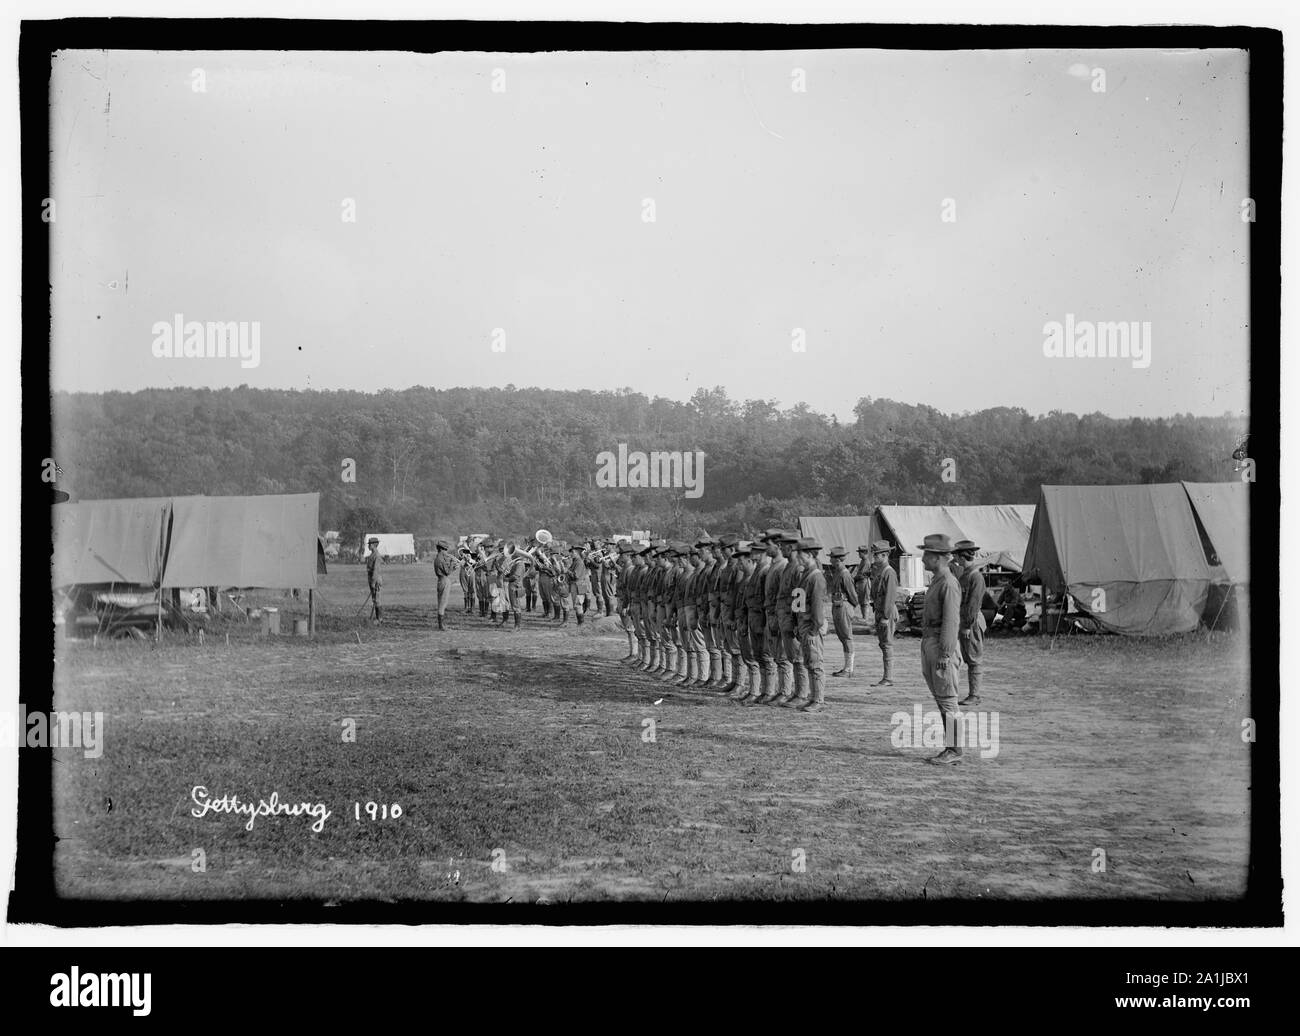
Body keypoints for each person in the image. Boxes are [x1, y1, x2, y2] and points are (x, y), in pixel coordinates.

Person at [918, 534, 963, 765]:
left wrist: (945, 654)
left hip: (940, 644)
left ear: (938, 558)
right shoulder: (938, 580)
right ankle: (950, 747)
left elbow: (951, 622)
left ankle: (954, 749)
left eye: (927, 554)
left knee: (947, 699)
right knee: (941, 698)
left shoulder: (947, 583)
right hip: (931, 641)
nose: (923, 558)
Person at [793, 538, 830, 712]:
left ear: (809, 555)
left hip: (811, 627)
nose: (798, 559)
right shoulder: (805, 576)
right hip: (803, 625)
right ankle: (813, 697)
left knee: (815, 663)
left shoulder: (816, 578)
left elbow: (817, 608)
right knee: (808, 662)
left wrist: (814, 629)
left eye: (800, 555)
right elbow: (798, 601)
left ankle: (819, 700)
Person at [739, 533, 773, 704]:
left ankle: (769, 691)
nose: (751, 554)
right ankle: (757, 691)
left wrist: (766, 623)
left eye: (754, 551)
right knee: (757, 656)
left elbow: (767, 599)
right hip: (753, 617)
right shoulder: (757, 572)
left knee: (766, 657)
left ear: (760, 553)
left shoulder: (765, 571)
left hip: (762, 618)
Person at [953, 539, 986, 706]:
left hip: (971, 623)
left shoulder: (975, 577)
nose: (954, 559)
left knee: (974, 658)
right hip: (964, 620)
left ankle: (975, 695)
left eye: (956, 555)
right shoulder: (966, 575)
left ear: (962, 556)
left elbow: (973, 603)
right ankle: (972, 694)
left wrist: (967, 625)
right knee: (968, 658)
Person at [776, 532, 806, 707]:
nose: (781, 549)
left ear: (792, 547)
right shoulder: (788, 566)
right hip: (785, 618)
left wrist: (796, 622)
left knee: (799, 659)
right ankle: (792, 692)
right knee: (792, 657)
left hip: (793, 619)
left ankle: (801, 694)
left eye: (784, 546)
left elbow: (799, 597)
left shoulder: (797, 568)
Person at [760, 529, 789, 705]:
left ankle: (785, 691)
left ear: (778, 545)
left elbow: (783, 596)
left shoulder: (782, 566)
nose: (766, 548)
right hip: (770, 615)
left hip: (778, 616)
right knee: (774, 655)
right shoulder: (773, 566)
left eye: (768, 545)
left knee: (783, 657)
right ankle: (775, 690)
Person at [827, 546, 860, 677]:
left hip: (843, 606)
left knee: (847, 637)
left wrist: (850, 607)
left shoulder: (845, 574)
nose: (830, 560)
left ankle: (849, 668)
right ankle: (846, 667)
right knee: (843, 637)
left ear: (838, 559)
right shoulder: (837, 572)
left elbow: (853, 594)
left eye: (832, 558)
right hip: (837, 605)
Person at [869, 540, 898, 686]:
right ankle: (887, 676)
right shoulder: (881, 572)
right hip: (880, 611)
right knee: (883, 644)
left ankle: (888, 677)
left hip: (886, 612)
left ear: (885, 555)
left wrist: (886, 617)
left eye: (877, 555)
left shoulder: (889, 573)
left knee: (887, 644)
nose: (874, 557)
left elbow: (890, 597)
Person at [433, 540, 458, 630]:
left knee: (442, 602)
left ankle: (442, 625)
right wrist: (452, 564)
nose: (446, 552)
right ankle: (441, 626)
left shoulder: (438, 558)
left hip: (442, 580)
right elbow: (447, 572)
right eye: (445, 549)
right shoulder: (440, 559)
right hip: (443, 580)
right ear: (441, 549)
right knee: (442, 603)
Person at [365, 536, 384, 622]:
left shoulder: (376, 555)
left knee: (377, 600)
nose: (368, 546)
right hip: (372, 579)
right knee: (374, 599)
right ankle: (377, 618)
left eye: (370, 544)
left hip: (375, 580)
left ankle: (379, 619)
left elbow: (376, 570)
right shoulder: (372, 555)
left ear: (374, 545)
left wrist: (373, 582)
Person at [853, 545, 873, 622]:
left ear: (864, 553)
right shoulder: (863, 561)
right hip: (861, 582)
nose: (859, 554)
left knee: (865, 601)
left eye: (860, 553)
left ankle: (866, 618)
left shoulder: (866, 562)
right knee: (861, 600)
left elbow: (862, 574)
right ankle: (864, 617)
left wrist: (854, 578)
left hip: (864, 582)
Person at [458, 546, 476, 613]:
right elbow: (460, 564)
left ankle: (472, 608)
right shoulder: (462, 558)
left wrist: (469, 559)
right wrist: (464, 558)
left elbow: (474, 562)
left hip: (471, 572)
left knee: (472, 590)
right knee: (465, 591)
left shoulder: (472, 556)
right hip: (463, 572)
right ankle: (466, 607)